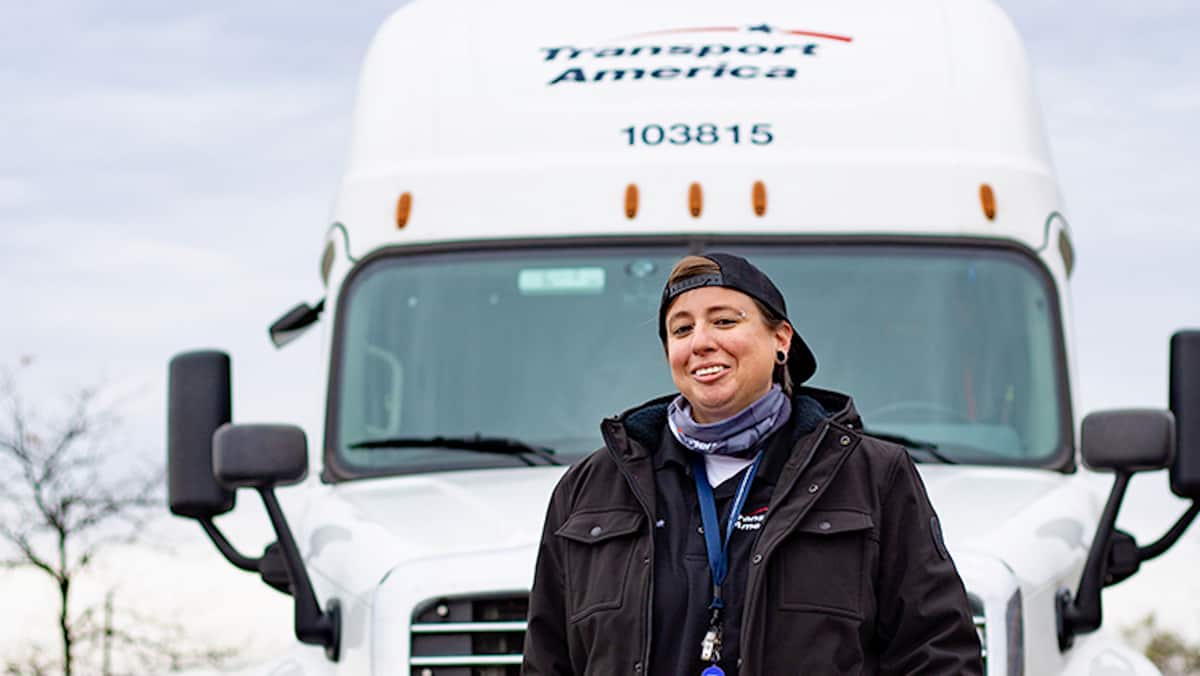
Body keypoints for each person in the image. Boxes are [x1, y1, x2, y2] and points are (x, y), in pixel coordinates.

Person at [523, 253, 983, 675]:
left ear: (781, 339)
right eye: (681, 330)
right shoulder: (588, 490)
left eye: (724, 321)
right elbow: (548, 662)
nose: (701, 342)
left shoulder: (873, 476)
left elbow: (937, 653)